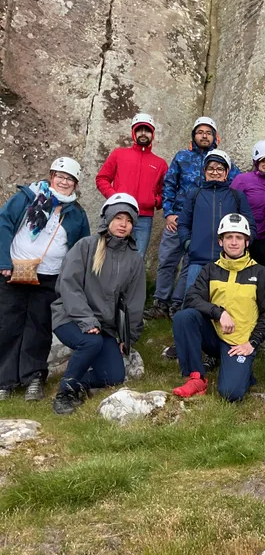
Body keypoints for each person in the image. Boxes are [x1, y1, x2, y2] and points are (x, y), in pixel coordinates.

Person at [0, 158, 91, 401]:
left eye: (69, 178)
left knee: (39, 327)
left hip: (50, 278)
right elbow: (4, 223)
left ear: (75, 184)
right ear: (51, 176)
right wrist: (3, 263)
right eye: (60, 176)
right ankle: (4, 381)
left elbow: (80, 249)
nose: (64, 181)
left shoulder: (77, 214)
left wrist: (72, 281)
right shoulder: (28, 196)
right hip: (14, 271)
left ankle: (33, 377)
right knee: (8, 324)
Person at [50, 193, 146, 415]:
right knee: (91, 342)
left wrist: (127, 337)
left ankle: (75, 382)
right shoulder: (86, 246)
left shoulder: (134, 259)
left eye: (129, 220)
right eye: (118, 217)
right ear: (108, 218)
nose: (123, 224)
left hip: (104, 327)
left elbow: (134, 301)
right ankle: (64, 394)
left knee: (114, 376)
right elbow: (68, 285)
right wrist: (86, 320)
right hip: (70, 317)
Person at [172, 213, 265, 401]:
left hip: (240, 343)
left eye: (239, 237)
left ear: (247, 242)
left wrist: (252, 343)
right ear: (221, 241)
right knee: (184, 317)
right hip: (213, 335)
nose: (234, 242)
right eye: (229, 237)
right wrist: (219, 313)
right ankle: (196, 378)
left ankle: (243, 373)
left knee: (231, 394)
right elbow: (192, 298)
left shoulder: (260, 273)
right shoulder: (211, 269)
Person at [145, 117, 241, 320]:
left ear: (215, 137)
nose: (204, 136)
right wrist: (169, 212)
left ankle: (179, 302)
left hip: (201, 223)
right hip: (177, 219)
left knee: (190, 264)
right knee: (167, 260)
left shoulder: (222, 160)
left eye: (208, 132)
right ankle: (160, 301)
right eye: (200, 132)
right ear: (194, 135)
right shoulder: (182, 157)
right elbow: (169, 184)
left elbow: (236, 181)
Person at [177, 149, 255, 291]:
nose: (215, 172)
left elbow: (250, 225)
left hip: (228, 263)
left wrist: (244, 246)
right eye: (211, 168)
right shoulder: (194, 195)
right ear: (204, 171)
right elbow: (183, 224)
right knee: (191, 303)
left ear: (226, 172)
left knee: (224, 306)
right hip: (198, 261)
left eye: (220, 168)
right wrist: (189, 244)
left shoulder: (237, 196)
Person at [95, 113, 168, 256]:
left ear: (152, 134)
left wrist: (154, 201)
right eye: (139, 129)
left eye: (147, 130)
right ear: (133, 132)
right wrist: (117, 198)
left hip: (144, 218)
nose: (143, 133)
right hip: (117, 213)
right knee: (108, 254)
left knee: (136, 258)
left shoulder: (160, 163)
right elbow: (102, 179)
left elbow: (167, 192)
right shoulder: (119, 154)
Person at [231, 140, 265, 272]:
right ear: (256, 162)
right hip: (244, 237)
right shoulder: (242, 180)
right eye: (264, 161)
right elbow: (231, 205)